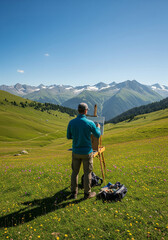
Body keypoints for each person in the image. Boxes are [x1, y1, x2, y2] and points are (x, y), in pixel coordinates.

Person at [67, 102, 101, 199]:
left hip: (76, 151)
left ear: (78, 110)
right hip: (87, 152)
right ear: (86, 111)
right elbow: (97, 135)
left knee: (75, 172)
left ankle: (74, 193)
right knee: (87, 173)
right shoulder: (90, 123)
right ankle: (87, 194)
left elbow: (68, 136)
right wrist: (98, 128)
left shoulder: (71, 122)